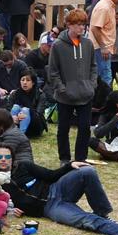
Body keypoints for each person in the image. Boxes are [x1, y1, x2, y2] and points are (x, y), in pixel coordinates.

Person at [0, 144, 118, 235]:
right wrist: (9, 210)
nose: (3, 160)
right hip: (50, 208)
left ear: (12, 159)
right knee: (87, 221)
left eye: (7, 156)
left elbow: (51, 175)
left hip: (57, 188)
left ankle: (103, 212)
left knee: (87, 171)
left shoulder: (23, 166)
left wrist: (69, 165)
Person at [48, 9, 98, 165]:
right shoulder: (57, 46)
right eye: (78, 24)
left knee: (84, 128)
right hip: (65, 96)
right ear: (68, 25)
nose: (81, 28)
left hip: (85, 94)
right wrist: (62, 89)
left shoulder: (88, 44)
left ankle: (81, 158)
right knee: (63, 128)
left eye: (83, 24)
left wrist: (92, 85)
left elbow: (93, 66)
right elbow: (53, 71)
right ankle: (64, 158)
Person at [2, 70, 47, 138]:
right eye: (22, 80)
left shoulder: (40, 95)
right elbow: (8, 109)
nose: (25, 82)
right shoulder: (15, 93)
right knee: (15, 107)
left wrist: (25, 114)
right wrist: (13, 117)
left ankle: (21, 136)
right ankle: (11, 132)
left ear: (33, 82)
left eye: (28, 80)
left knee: (25, 110)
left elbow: (39, 114)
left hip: (34, 125)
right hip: (17, 122)